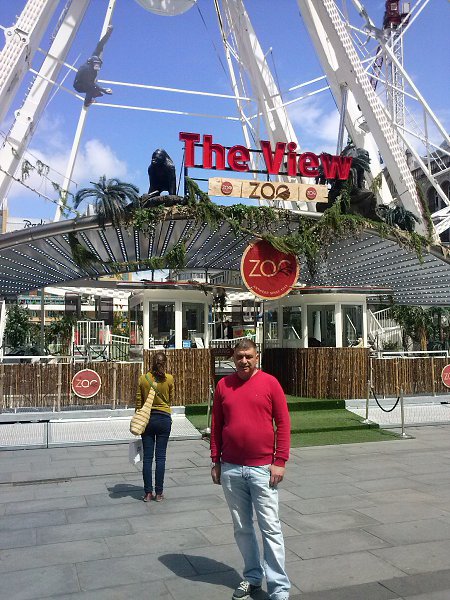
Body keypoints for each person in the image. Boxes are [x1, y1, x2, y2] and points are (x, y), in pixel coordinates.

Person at [210, 339, 291, 600]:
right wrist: (215, 460)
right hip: (231, 468)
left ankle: (279, 588)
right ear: (233, 358)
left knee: (270, 528)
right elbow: (217, 424)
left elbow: (283, 423)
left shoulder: (270, 383)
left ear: (257, 358)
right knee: (242, 528)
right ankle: (253, 576)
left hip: (262, 469)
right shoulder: (224, 385)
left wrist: (280, 461)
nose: (244, 361)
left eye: (248, 356)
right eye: (239, 357)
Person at [135, 351, 174, 502]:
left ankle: (147, 493)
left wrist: (138, 417)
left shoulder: (143, 379)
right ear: (165, 363)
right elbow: (170, 398)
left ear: (152, 362)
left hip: (147, 420)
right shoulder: (169, 379)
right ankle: (159, 493)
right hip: (164, 419)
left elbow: (139, 401)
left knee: (147, 458)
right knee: (161, 457)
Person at [73, 25, 113, 107]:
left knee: (93, 88)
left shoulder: (93, 59)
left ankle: (95, 94)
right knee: (92, 88)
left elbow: (100, 45)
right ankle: (87, 102)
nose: (97, 66)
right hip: (79, 85)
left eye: (98, 64)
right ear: (92, 63)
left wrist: (108, 33)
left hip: (87, 82)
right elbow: (90, 84)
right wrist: (103, 90)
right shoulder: (86, 69)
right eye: (97, 64)